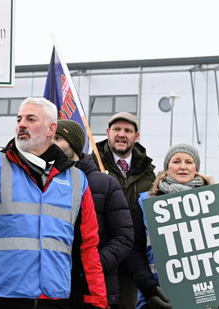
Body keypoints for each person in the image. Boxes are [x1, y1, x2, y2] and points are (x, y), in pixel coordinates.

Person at [0, 97, 108, 309]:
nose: (21, 124)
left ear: (51, 129)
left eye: (31, 119)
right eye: (19, 119)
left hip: (53, 300)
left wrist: (97, 301)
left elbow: (88, 247)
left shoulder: (77, 179)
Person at [54, 118, 134, 309]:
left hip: (94, 288)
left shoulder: (105, 184)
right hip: (53, 286)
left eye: (58, 138)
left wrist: (92, 264)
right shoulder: (45, 180)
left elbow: (124, 237)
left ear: (74, 144)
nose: (51, 142)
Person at [128, 143, 211, 309]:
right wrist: (150, 289)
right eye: (176, 161)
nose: (183, 167)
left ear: (196, 168)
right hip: (156, 297)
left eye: (189, 162)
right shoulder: (146, 203)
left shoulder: (212, 202)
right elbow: (135, 251)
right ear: (167, 167)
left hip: (201, 297)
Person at [93, 111, 156, 309]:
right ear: (108, 133)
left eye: (127, 131)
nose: (121, 134)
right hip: (100, 259)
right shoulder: (91, 166)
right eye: (117, 129)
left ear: (136, 137)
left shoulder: (149, 173)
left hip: (132, 264)